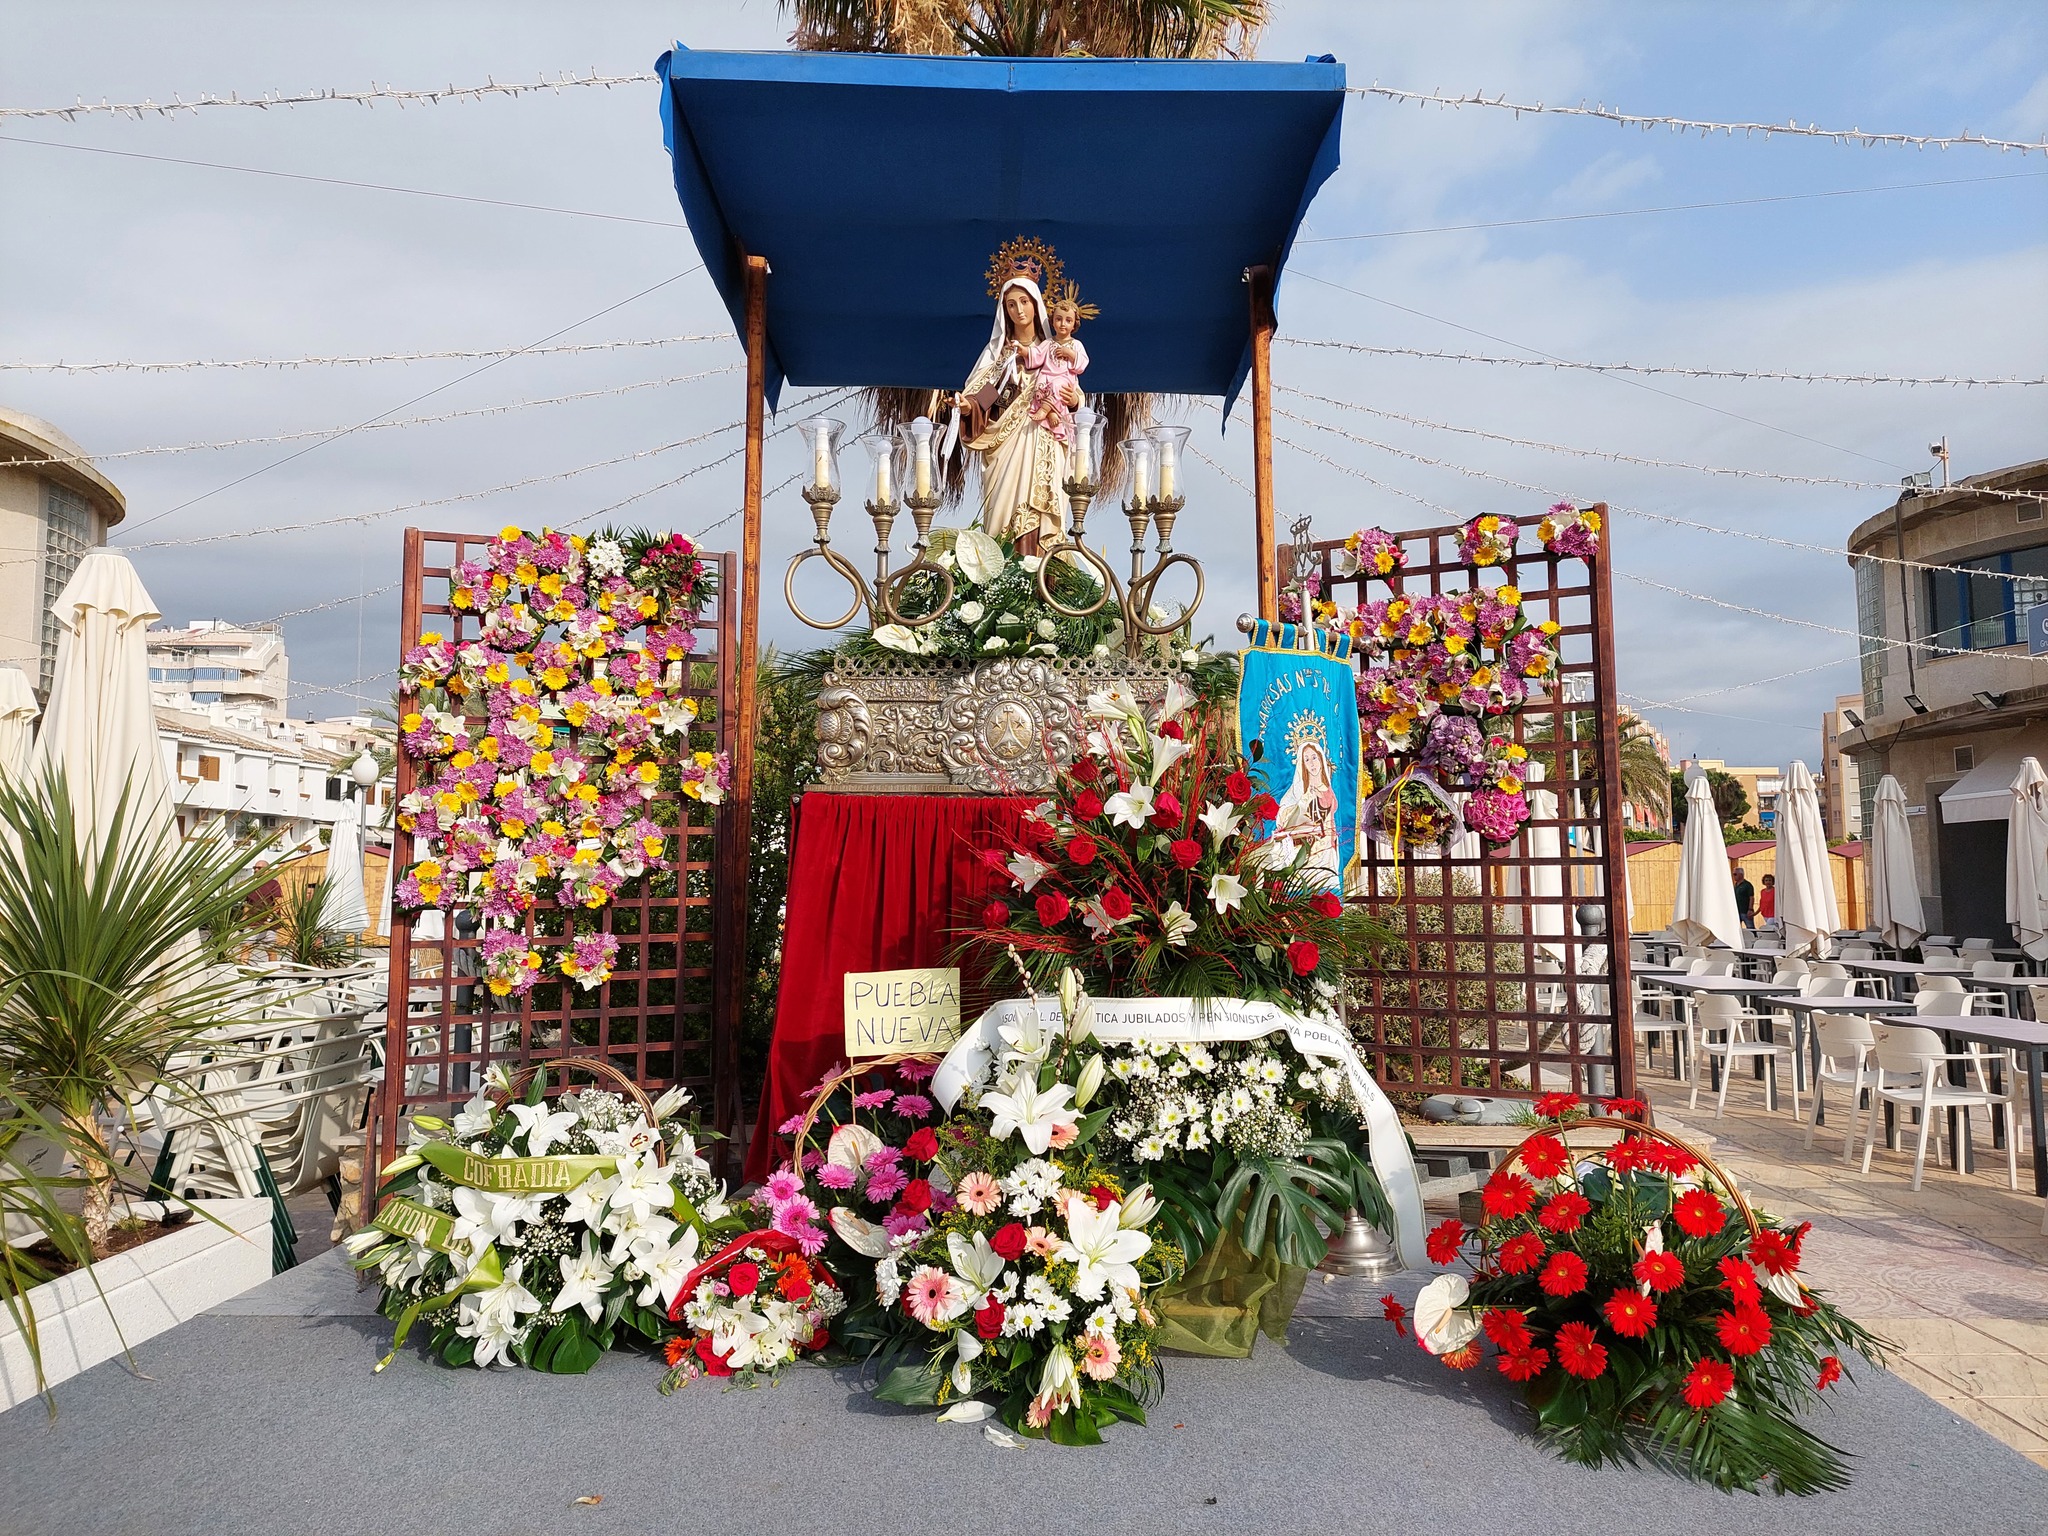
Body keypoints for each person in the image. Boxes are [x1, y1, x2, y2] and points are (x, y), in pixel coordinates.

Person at [956, 275, 1081, 550]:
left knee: (1042, 515)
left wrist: (1074, 401)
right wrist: (970, 407)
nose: (1019, 310)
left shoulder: (1054, 352)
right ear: (1004, 311)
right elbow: (988, 396)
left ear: (1036, 305)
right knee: (1003, 515)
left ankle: (1046, 576)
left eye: (1024, 302)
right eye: (1011, 305)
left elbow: (1075, 395)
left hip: (1045, 441)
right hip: (1008, 447)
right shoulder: (1001, 356)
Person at [1025, 296, 1088, 445]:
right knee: (1039, 386)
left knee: (1058, 386)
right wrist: (1023, 351)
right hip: (1046, 378)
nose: (1062, 324)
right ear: (1052, 321)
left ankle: (1046, 410)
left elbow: (1082, 363)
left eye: (1068, 320)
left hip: (1064, 380)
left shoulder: (1076, 344)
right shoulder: (1048, 343)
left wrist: (1070, 353)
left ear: (1074, 324)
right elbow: (1036, 355)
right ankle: (1051, 412)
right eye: (1058, 319)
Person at [1732, 866, 1755, 937]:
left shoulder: (1747, 885)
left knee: (1750, 928)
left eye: (1735, 874)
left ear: (1741, 874)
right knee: (1735, 928)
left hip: (1745, 911)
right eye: (1733, 874)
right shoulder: (1735, 885)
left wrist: (1750, 909)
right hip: (1737, 911)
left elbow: (1751, 897)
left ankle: (1754, 939)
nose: (1734, 876)